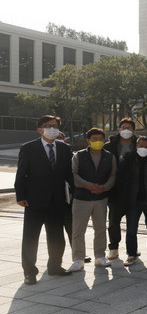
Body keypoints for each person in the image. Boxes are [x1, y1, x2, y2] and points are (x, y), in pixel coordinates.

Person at [15, 115, 74, 285]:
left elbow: (68, 173)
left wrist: (72, 191)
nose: (52, 129)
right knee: (31, 237)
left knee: (56, 236)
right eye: (48, 126)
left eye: (55, 126)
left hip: (57, 200)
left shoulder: (64, 149)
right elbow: (21, 173)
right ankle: (29, 272)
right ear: (39, 129)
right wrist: (21, 196)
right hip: (34, 200)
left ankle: (55, 266)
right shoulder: (28, 148)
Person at [68, 128, 117, 271]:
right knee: (78, 230)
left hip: (101, 198)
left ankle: (100, 256)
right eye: (94, 139)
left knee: (100, 229)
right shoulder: (79, 156)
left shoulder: (109, 156)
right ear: (88, 140)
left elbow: (113, 175)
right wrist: (88, 185)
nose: (98, 141)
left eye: (101, 138)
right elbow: (74, 174)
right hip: (81, 198)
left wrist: (105, 187)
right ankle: (78, 258)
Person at [118, 136, 147, 265]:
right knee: (131, 229)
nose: (143, 148)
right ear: (136, 146)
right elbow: (121, 179)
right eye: (140, 146)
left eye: (146, 146)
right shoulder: (128, 159)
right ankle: (132, 254)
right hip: (133, 201)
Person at [105, 117, 138, 260]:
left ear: (134, 130)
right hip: (115, 190)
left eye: (129, 128)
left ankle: (132, 249)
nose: (126, 130)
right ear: (119, 129)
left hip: (134, 190)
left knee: (132, 222)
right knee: (113, 221)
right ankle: (113, 247)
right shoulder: (110, 146)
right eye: (123, 127)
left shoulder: (139, 145)